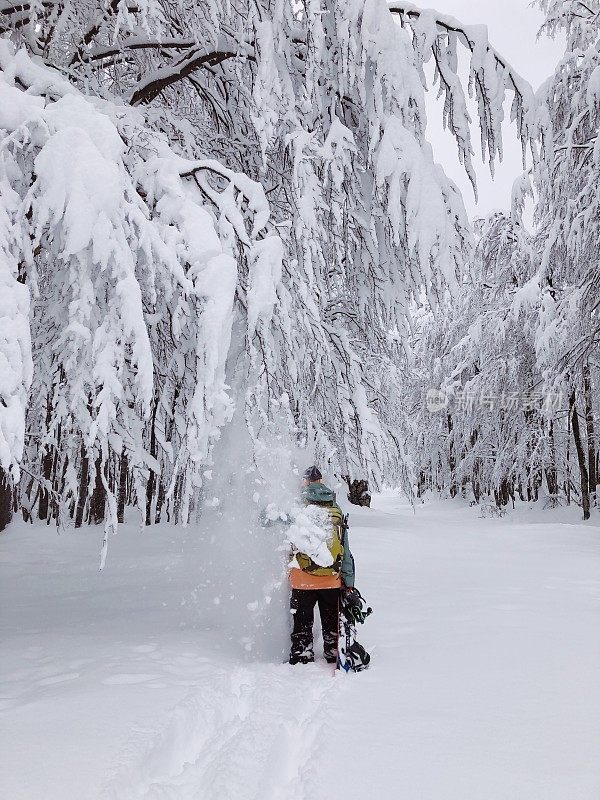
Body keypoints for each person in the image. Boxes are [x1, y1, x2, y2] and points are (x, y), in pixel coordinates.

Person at [288, 466, 355, 665]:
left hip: (302, 580)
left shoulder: (297, 507)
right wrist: (348, 581)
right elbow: (346, 548)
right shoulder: (335, 509)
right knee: (330, 619)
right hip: (331, 580)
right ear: (321, 481)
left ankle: (302, 653)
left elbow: (267, 520)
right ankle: (333, 650)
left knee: (302, 621)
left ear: (305, 482)